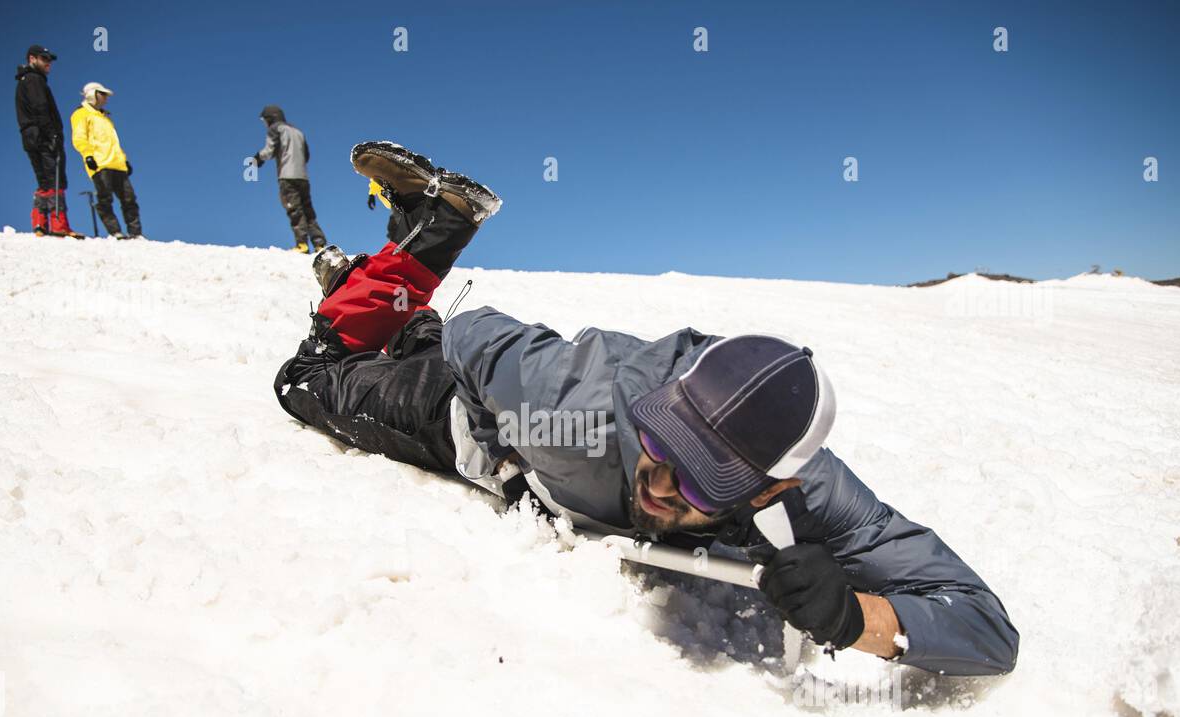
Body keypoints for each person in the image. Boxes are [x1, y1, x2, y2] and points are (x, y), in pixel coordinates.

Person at [274, 142, 1020, 678]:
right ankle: (433, 228)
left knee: (415, 337)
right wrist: (503, 459)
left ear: (771, 489)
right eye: (661, 444)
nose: (658, 482)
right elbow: (477, 333)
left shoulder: (817, 496)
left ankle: (401, 312)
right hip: (463, 412)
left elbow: (986, 625)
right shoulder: (577, 404)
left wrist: (864, 618)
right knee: (309, 377)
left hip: (519, 394)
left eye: (699, 480)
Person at [14, 44, 82, 238]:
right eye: (44, 59)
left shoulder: (24, 80)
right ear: (32, 59)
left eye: (49, 61)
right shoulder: (35, 80)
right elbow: (41, 107)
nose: (48, 64)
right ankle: (59, 224)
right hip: (43, 136)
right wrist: (52, 134)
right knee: (55, 178)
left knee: (43, 179)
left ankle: (40, 224)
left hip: (30, 136)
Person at [70, 82, 142, 239]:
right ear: (92, 94)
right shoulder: (81, 114)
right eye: (103, 95)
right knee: (105, 198)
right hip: (100, 163)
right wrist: (88, 155)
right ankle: (115, 231)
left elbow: (113, 142)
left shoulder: (106, 118)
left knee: (129, 199)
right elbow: (79, 138)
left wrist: (124, 160)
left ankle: (136, 233)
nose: (106, 99)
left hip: (118, 164)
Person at [249, 105, 325, 253]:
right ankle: (319, 244)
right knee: (308, 210)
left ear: (271, 118)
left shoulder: (275, 129)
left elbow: (270, 150)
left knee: (294, 209)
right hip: (303, 176)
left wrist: (257, 158)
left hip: (286, 175)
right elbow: (306, 155)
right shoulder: (298, 132)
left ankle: (301, 244)